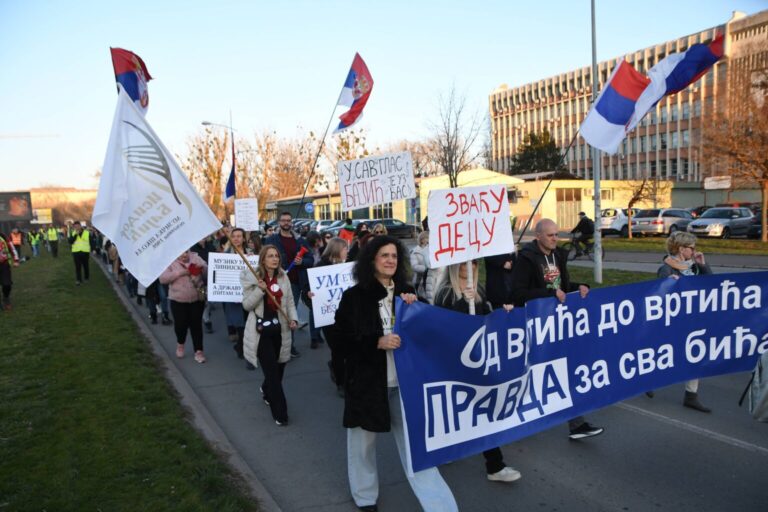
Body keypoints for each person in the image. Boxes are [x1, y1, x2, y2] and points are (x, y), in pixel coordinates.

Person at [333, 235, 458, 512]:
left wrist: (416, 308)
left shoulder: (407, 292)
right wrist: (375, 341)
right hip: (366, 384)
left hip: (405, 384)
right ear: (371, 261)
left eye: (394, 256)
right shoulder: (355, 297)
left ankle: (440, 506)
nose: (391, 260)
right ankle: (365, 498)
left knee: (417, 448)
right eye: (384, 255)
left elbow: (427, 333)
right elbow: (340, 339)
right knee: (362, 445)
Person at [510, 218, 605, 440]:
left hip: (558, 325)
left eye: (556, 234)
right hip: (535, 326)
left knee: (566, 370)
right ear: (539, 236)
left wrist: (579, 287)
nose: (556, 238)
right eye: (551, 235)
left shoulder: (559, 255)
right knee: (529, 375)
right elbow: (517, 293)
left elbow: (560, 287)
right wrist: (549, 294)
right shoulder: (526, 259)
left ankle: (577, 425)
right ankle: (509, 420)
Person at [434, 260, 522, 483]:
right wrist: (464, 302)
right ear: (454, 265)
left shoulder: (479, 290)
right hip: (454, 362)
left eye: (473, 261)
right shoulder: (445, 293)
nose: (469, 265)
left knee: (484, 410)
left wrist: (503, 313)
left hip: (479, 360)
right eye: (464, 261)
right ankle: (444, 447)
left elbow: (487, 321)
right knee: (455, 409)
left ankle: (495, 464)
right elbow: (443, 326)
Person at [240, 245, 298, 426]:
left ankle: (266, 390)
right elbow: (247, 306)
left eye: (277, 256)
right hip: (261, 333)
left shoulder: (283, 277)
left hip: (280, 330)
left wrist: (293, 319)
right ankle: (280, 413)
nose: (275, 259)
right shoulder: (252, 277)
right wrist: (260, 290)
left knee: (279, 368)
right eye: (270, 256)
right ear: (263, 259)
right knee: (272, 373)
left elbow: (289, 302)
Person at [656, 231, 712, 413]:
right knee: (669, 355)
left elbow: (711, 285)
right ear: (681, 249)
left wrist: (703, 266)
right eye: (691, 248)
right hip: (676, 321)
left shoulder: (694, 266)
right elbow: (658, 293)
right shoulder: (667, 268)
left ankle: (691, 395)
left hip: (694, 318)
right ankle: (647, 380)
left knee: (695, 353)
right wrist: (668, 284)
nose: (694, 250)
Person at [265, 211, 314, 358]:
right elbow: (264, 257)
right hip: (277, 281)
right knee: (278, 313)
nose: (286, 223)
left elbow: (310, 260)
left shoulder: (300, 241)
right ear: (279, 222)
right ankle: (277, 344)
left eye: (288, 220)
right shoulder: (272, 240)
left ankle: (289, 346)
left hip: (297, 283)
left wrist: (302, 261)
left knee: (289, 314)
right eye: (283, 220)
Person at [310, 237, 349, 396]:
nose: (347, 250)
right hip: (329, 318)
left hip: (347, 317)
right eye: (345, 248)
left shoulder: (348, 266)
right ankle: (341, 382)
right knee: (338, 350)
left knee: (348, 350)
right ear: (337, 249)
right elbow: (309, 288)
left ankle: (339, 369)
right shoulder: (320, 267)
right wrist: (309, 295)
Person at [160, 250, 208, 363]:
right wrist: (181, 273)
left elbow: (207, 273)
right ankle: (180, 342)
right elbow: (163, 279)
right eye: (181, 253)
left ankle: (199, 351)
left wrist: (202, 268)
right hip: (178, 300)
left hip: (197, 297)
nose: (184, 255)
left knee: (196, 325)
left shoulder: (196, 258)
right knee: (181, 325)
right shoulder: (170, 261)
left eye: (186, 252)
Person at [191, 237, 216, 333]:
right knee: (202, 300)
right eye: (200, 238)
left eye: (204, 238)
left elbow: (216, 258)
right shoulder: (193, 250)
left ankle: (205, 315)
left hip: (211, 279)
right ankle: (206, 320)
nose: (202, 240)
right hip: (200, 281)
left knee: (210, 300)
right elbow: (192, 266)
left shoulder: (210, 246)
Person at [409, 231, 437, 303]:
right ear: (422, 240)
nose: (428, 242)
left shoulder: (432, 250)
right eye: (427, 239)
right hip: (420, 280)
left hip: (431, 280)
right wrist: (427, 268)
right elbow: (414, 266)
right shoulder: (415, 251)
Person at [0, 233, 19, 310]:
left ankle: (6, 297)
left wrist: (16, 260)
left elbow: (12, 248)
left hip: (4, 264)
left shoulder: (3, 236)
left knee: (7, 284)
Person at [68, 221, 90, 285]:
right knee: (78, 267)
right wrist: (75, 235)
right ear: (74, 227)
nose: (77, 228)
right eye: (75, 227)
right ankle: (78, 280)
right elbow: (70, 242)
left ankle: (86, 278)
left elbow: (91, 241)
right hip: (76, 252)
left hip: (85, 252)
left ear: (80, 226)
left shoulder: (86, 233)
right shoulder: (73, 233)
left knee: (86, 266)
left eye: (78, 226)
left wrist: (93, 249)